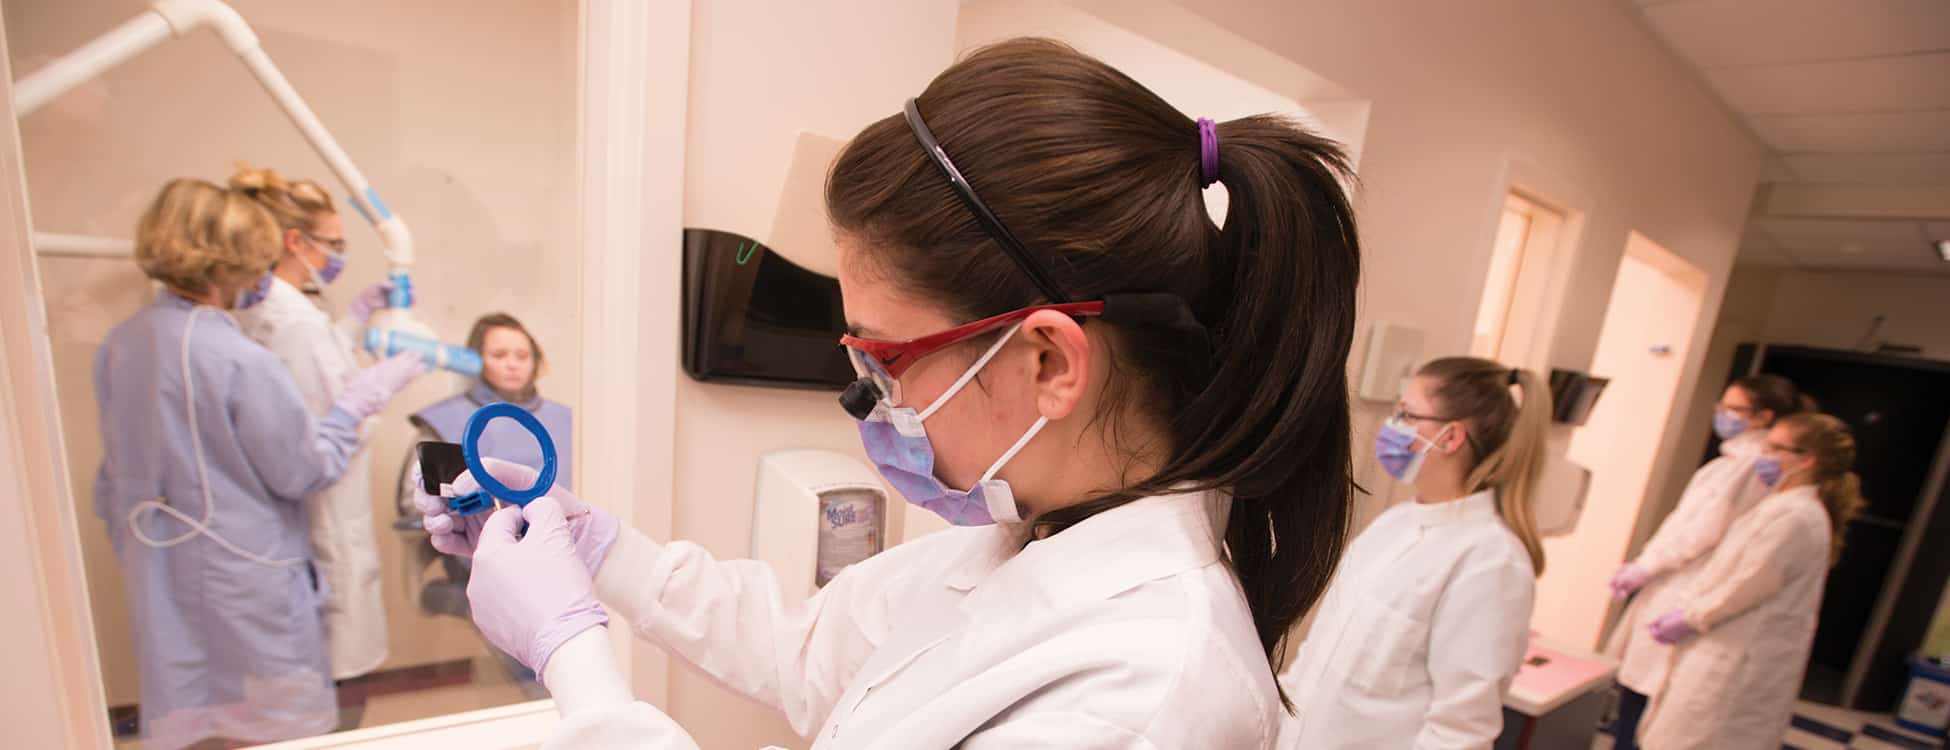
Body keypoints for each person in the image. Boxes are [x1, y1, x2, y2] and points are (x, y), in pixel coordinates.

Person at [417, 37, 1363, 748]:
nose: (865, 400)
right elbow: (804, 648)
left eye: (888, 360)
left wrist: (575, 662)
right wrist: (598, 550)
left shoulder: (1148, 687)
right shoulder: (1020, 537)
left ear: (1048, 363)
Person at [93, 178, 424, 749]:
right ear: (237, 259)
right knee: (276, 731)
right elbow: (304, 469)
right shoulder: (237, 359)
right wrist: (354, 406)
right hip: (245, 574)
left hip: (161, 571)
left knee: (195, 722)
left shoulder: (122, 344)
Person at [1277, 357, 1551, 749]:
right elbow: (1314, 665)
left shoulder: (1491, 561)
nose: (1393, 427)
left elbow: (1459, 732)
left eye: (1406, 414)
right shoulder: (1394, 525)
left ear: (1451, 437)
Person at [230, 163, 397, 682]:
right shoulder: (294, 322)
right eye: (334, 243)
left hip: (303, 513)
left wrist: (352, 321)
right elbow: (325, 428)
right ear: (295, 241)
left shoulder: (279, 309)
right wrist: (371, 399)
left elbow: (314, 374)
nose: (339, 256)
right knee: (341, 663)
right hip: (323, 513)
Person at [1630, 413, 1864, 750]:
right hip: (1724, 650)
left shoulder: (1795, 517)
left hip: (1736, 662)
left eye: (1775, 447)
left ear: (1807, 461)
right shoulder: (1782, 506)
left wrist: (1691, 616)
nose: (1763, 454)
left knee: (1694, 738)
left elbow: (1746, 586)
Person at [1603, 374, 1811, 748]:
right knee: (1641, 701)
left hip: (1687, 592)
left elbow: (1699, 533)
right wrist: (1647, 562)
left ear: (1764, 417)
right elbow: (1686, 526)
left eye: (1733, 409)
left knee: (1647, 705)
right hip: (1680, 588)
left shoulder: (1752, 469)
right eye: (1723, 407)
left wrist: (1647, 566)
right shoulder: (1733, 464)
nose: (1722, 415)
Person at [406, 313, 573, 486]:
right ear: (475, 360)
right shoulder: (443, 421)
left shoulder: (568, 421)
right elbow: (415, 501)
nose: (512, 364)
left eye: (522, 356)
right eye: (499, 355)